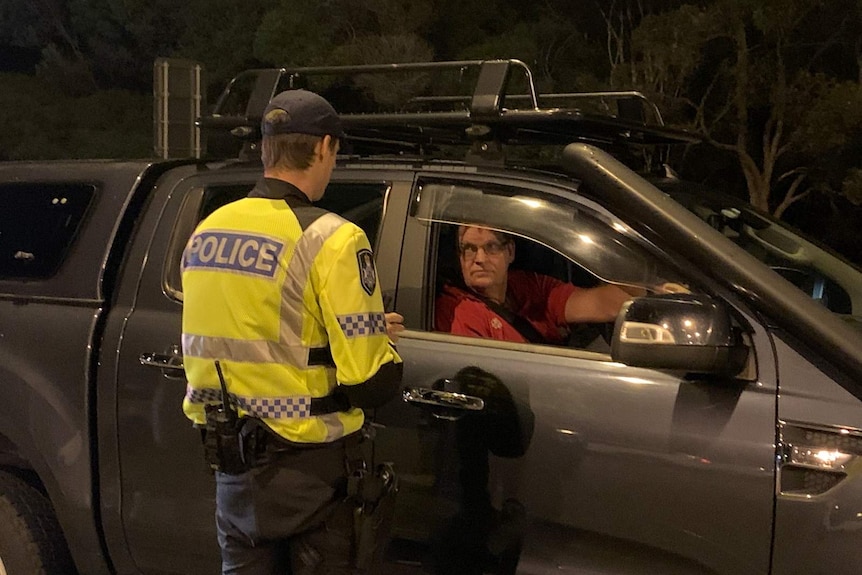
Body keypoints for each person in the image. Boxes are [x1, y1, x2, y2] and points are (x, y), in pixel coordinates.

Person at [181, 89, 403, 574]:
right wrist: (375, 337)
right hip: (311, 476)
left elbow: (255, 328)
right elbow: (369, 382)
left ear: (266, 149)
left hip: (233, 471)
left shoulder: (207, 233)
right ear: (324, 147)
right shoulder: (334, 237)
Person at [435, 225, 651, 345]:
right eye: (470, 249)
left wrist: (657, 289)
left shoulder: (527, 285)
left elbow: (612, 304)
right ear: (460, 257)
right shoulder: (456, 309)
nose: (479, 258)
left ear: (510, 252)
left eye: (491, 247)